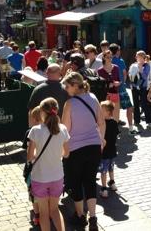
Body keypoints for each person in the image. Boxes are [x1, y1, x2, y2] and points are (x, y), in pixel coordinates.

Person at [61, 72, 106, 231]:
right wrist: (101, 141)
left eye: (67, 86)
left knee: (76, 183)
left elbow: (65, 130)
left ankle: (80, 215)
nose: (65, 89)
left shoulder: (69, 104)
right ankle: (93, 217)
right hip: (93, 147)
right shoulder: (93, 97)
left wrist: (64, 151)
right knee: (90, 181)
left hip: (75, 149)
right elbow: (101, 122)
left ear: (75, 85)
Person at [27, 98, 69, 231]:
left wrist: (38, 155)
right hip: (57, 176)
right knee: (55, 210)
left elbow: (29, 157)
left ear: (42, 112)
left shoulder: (35, 130)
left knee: (44, 213)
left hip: (40, 177)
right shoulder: (63, 129)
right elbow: (66, 154)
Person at [110, 43, 136, 133]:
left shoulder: (108, 61)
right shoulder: (120, 61)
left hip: (112, 89)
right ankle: (131, 128)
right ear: (117, 51)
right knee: (129, 107)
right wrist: (123, 83)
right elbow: (125, 74)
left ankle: (114, 130)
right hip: (121, 88)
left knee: (113, 109)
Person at [99, 100, 120, 198]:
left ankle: (104, 189)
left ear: (108, 112)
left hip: (104, 152)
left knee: (103, 171)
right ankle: (112, 183)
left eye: (102, 110)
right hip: (112, 150)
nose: (100, 112)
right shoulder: (114, 122)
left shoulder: (102, 123)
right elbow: (116, 135)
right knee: (111, 168)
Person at [130, 51, 151, 129]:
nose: (137, 58)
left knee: (144, 104)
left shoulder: (147, 65)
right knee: (135, 104)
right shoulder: (133, 65)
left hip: (143, 87)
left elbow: (145, 77)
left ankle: (149, 121)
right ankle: (137, 120)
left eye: (138, 56)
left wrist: (140, 69)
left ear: (143, 57)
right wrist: (131, 85)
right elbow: (131, 76)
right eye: (136, 57)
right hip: (134, 87)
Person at [98, 50, 121, 122]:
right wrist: (107, 85)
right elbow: (99, 84)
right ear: (104, 58)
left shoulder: (116, 68)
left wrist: (118, 83)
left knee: (116, 115)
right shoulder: (100, 70)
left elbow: (119, 80)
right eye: (108, 57)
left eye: (111, 57)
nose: (110, 59)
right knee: (105, 115)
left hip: (115, 93)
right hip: (105, 94)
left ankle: (115, 127)